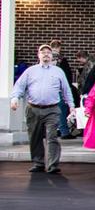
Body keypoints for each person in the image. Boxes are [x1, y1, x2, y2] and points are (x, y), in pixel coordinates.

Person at [9, 44, 74, 174]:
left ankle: (52, 165)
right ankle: (38, 163)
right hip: (33, 109)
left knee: (52, 136)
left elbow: (66, 90)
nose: (46, 54)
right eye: (43, 52)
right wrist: (15, 98)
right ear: (38, 55)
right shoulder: (30, 71)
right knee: (35, 136)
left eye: (48, 52)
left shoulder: (58, 71)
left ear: (52, 56)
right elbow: (19, 86)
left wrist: (71, 106)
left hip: (52, 109)